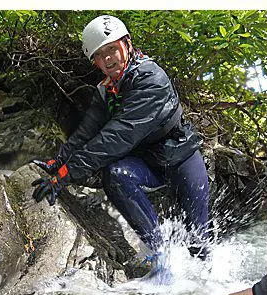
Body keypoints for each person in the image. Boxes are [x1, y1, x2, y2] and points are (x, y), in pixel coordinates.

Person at [32, 14, 209, 279]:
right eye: (100, 56)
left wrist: (67, 176)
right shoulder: (107, 89)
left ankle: (206, 280)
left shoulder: (151, 79)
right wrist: (59, 163)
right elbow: (87, 132)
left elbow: (117, 136)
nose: (108, 59)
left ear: (126, 44)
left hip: (182, 159)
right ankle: (162, 255)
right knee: (114, 174)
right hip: (148, 164)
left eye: (112, 49)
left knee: (198, 241)